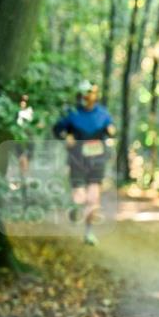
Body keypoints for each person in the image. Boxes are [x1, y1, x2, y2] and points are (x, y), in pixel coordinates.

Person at [52, 81, 114, 246]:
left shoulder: (103, 113)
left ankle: (89, 233)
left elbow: (110, 130)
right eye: (85, 94)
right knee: (79, 196)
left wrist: (110, 133)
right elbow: (57, 129)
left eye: (91, 93)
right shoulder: (72, 114)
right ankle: (74, 207)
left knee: (93, 198)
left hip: (96, 160)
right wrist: (66, 137)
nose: (88, 97)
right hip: (77, 159)